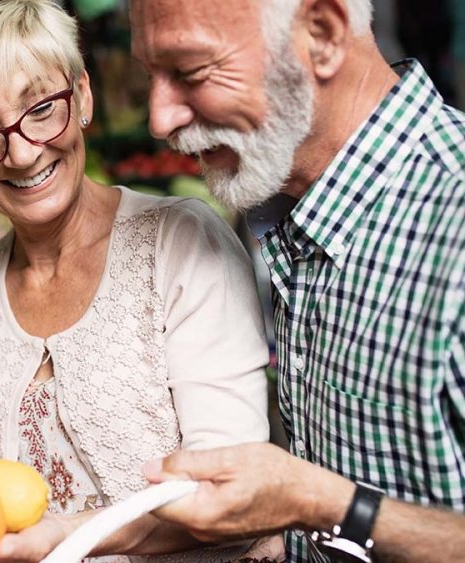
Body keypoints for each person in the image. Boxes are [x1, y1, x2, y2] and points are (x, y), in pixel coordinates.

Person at [0, 0, 272, 560]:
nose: (20, 152)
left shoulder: (180, 246)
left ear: (83, 96)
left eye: (41, 108)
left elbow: (229, 494)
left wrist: (64, 538)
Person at [129, 0, 465, 561]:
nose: (159, 118)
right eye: (150, 75)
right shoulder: (296, 203)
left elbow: (328, 499)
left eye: (189, 72)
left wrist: (318, 503)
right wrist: (291, 540)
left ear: (323, 34)